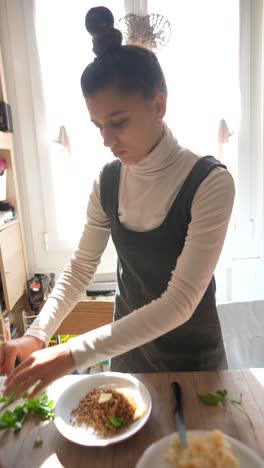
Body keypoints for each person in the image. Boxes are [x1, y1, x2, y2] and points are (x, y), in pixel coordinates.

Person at [1, 6, 235, 399]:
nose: (107, 140)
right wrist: (37, 337)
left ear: (158, 106)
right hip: (128, 355)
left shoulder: (210, 183)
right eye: (98, 125)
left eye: (118, 122)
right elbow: (79, 269)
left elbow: (179, 302)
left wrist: (70, 354)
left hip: (195, 360)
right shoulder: (107, 181)